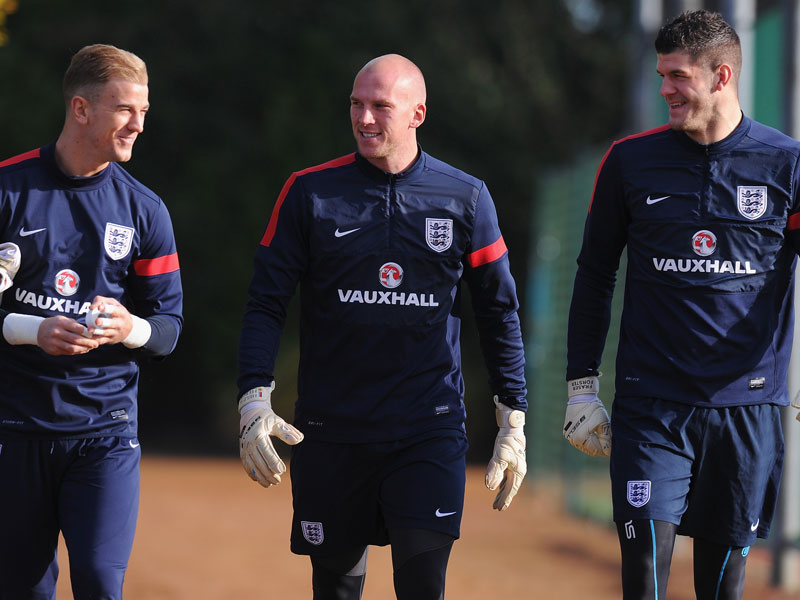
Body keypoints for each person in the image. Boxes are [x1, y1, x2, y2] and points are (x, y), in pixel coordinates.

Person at [236, 53, 527, 600]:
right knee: (337, 588)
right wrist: (254, 396)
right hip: (330, 432)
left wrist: (513, 418)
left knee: (422, 584)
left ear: (417, 114)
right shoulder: (308, 193)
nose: (365, 119)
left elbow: (498, 309)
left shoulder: (465, 196)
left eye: (380, 107)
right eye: (357, 105)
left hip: (428, 428)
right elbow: (265, 303)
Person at [562, 9, 800, 600]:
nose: (665, 89)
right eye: (661, 74)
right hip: (652, 407)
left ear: (721, 76)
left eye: (678, 77)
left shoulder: (787, 163)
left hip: (748, 409)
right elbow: (594, 275)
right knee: (643, 571)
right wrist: (581, 387)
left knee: (723, 586)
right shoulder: (629, 162)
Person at [0, 44, 183, 599]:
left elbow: (169, 327)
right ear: (81, 110)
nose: (139, 125)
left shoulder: (145, 209)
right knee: (21, 589)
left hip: (104, 430)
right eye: (126, 110)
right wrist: (33, 329)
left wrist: (129, 328)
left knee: (102, 583)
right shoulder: (7, 191)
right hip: (15, 428)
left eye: (144, 112)